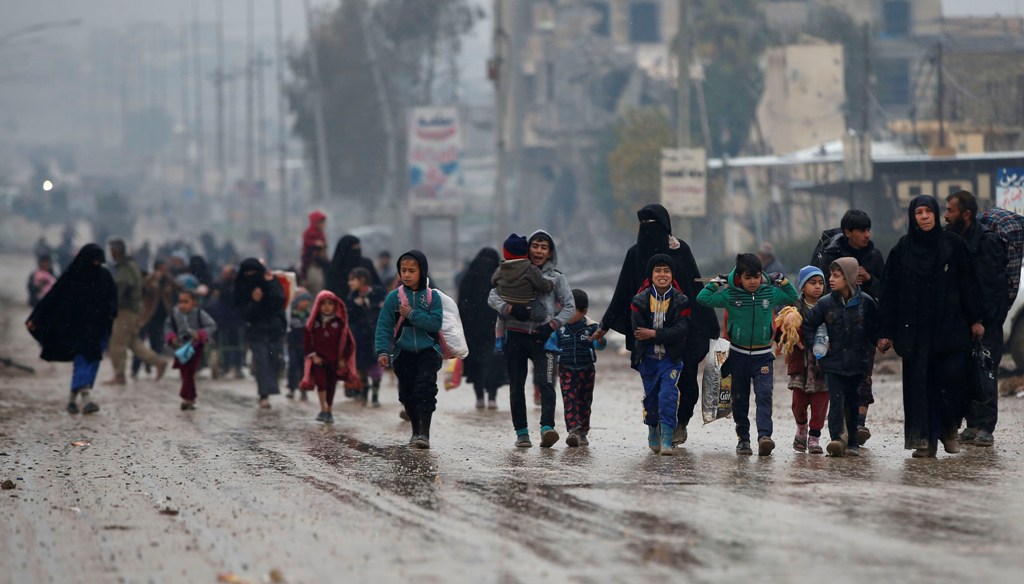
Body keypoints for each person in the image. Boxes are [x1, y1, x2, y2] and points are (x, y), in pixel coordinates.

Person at [593, 204, 719, 446]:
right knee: (655, 386)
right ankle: (658, 425)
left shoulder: (681, 251)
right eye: (643, 225)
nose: (648, 230)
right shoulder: (634, 254)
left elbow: (696, 289)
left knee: (687, 383)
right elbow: (622, 293)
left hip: (682, 331)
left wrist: (711, 326)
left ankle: (680, 423)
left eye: (653, 225)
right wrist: (605, 324)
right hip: (647, 337)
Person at [877, 195, 985, 458]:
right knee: (920, 388)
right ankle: (924, 441)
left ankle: (949, 430)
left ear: (936, 215)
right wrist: (884, 332)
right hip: (915, 333)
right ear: (912, 218)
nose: (924, 216)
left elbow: (968, 284)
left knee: (953, 382)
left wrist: (976, 319)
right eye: (918, 212)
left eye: (928, 211)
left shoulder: (954, 246)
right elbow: (889, 293)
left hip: (951, 330)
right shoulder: (902, 250)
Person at [696, 253, 798, 456]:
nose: (752, 282)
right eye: (747, 277)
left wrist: (781, 279)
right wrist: (718, 281)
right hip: (737, 356)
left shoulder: (769, 293)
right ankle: (743, 439)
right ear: (739, 278)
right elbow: (702, 298)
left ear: (762, 275)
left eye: (756, 276)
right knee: (740, 399)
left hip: (763, 356)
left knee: (764, 396)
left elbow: (792, 297)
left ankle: (764, 437)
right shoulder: (730, 296)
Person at [489, 231, 575, 448]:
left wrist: (552, 325)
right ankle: (522, 433)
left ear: (550, 252)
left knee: (546, 383)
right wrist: (509, 309)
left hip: (544, 339)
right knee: (516, 386)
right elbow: (492, 296)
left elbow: (570, 306)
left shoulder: (556, 277)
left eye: (543, 247)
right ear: (528, 249)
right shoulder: (509, 271)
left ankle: (547, 428)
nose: (538, 251)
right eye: (535, 246)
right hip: (515, 336)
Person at [813, 209, 886, 445]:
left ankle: (858, 424)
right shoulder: (828, 253)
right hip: (833, 326)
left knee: (862, 374)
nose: (867, 235)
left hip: (864, 325)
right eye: (861, 230)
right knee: (835, 379)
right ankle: (838, 430)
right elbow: (815, 285)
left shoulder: (874, 255)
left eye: (868, 229)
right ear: (847, 233)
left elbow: (885, 292)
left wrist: (871, 280)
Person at [944, 190, 1008, 447]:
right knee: (963, 372)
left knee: (985, 371)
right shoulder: (950, 239)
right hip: (960, 320)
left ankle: (985, 427)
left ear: (966, 214)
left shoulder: (987, 242)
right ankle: (970, 424)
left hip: (986, 322)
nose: (946, 216)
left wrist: (981, 320)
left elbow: (991, 287)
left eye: (951, 210)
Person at [25, 244, 118, 414]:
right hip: (77, 329)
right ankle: (86, 398)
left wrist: (111, 314)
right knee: (83, 360)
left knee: (92, 361)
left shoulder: (104, 276)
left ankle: (72, 400)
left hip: (97, 329)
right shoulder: (73, 277)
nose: (96, 265)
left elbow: (113, 299)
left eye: (99, 261)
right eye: (94, 260)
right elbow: (52, 298)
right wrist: (35, 318)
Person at [802, 259, 879, 457]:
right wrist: (816, 346)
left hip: (858, 363)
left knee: (853, 401)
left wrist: (879, 342)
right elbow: (808, 325)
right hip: (833, 363)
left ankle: (852, 442)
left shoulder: (866, 303)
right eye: (831, 275)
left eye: (837, 276)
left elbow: (875, 329)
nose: (831, 280)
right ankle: (837, 439)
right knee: (836, 401)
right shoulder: (825, 303)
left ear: (850, 278)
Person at [375, 250, 444, 448]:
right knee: (406, 394)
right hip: (402, 352)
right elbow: (384, 326)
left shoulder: (432, 298)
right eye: (403, 270)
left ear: (421, 272)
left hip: (428, 351)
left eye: (411, 270)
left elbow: (435, 323)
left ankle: (425, 434)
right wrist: (381, 351)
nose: (406, 274)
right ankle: (415, 430)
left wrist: (412, 314)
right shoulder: (393, 299)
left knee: (425, 389)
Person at [629, 257, 690, 455]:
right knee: (652, 399)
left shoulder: (681, 301)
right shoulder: (639, 301)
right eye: (658, 271)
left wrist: (655, 333)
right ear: (651, 275)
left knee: (668, 396)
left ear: (672, 275)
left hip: (671, 360)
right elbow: (639, 332)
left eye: (666, 271)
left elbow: (681, 330)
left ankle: (666, 438)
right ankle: (652, 428)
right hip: (647, 359)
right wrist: (664, 334)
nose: (662, 275)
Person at [547, 289, 606, 447]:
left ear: (584, 311)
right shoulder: (559, 327)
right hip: (566, 368)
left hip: (587, 369)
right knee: (569, 399)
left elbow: (599, 345)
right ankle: (573, 430)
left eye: (572, 311)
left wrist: (599, 340)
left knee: (584, 401)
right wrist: (550, 348)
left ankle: (583, 432)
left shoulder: (592, 327)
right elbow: (550, 342)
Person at [106, 238, 167, 384]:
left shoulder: (126, 267)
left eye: (112, 251)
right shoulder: (130, 265)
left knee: (117, 343)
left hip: (126, 310)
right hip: (132, 310)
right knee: (133, 342)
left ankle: (119, 375)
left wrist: (113, 305)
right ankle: (158, 362)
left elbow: (124, 287)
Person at [781, 266, 828, 454]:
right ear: (802, 286)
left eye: (821, 283)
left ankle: (814, 438)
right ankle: (801, 429)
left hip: (822, 366)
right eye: (812, 282)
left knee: (820, 404)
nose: (817, 287)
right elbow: (785, 332)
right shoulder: (794, 310)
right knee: (798, 404)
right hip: (800, 364)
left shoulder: (829, 306)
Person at [457, 248, 508, 409]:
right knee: (481, 363)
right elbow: (462, 304)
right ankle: (483, 396)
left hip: (490, 329)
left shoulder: (472, 277)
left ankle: (488, 396)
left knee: (489, 362)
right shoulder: (495, 279)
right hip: (478, 330)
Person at [234, 258, 288, 408]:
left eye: (254, 273)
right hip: (256, 330)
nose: (252, 276)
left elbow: (279, 301)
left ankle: (271, 387)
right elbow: (244, 313)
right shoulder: (241, 288)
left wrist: (270, 285)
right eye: (248, 273)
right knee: (262, 361)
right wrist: (254, 301)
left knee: (275, 360)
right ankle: (264, 395)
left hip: (274, 329)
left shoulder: (271, 281)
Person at [491, 233, 554, 352]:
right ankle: (549, 340)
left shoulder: (501, 268)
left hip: (506, 303)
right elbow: (542, 285)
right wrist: (550, 284)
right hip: (527, 303)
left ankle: (499, 340)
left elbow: (493, 281)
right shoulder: (531, 269)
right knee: (546, 314)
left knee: (500, 317)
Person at [304, 290, 359, 424]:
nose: (327, 307)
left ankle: (329, 410)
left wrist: (342, 359)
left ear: (335, 306)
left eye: (330, 304)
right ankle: (323, 408)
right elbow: (306, 341)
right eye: (323, 304)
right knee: (321, 383)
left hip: (333, 361)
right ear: (318, 305)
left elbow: (348, 343)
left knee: (331, 386)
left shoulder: (340, 324)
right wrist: (313, 356)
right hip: (318, 361)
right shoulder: (314, 323)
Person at [165, 289, 217, 410]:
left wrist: (201, 334)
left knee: (189, 371)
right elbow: (168, 326)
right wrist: (171, 337)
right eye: (180, 302)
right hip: (180, 346)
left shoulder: (199, 313)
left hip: (195, 346)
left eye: (186, 302)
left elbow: (211, 325)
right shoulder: (175, 313)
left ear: (193, 302)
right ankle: (190, 397)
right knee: (184, 372)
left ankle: (187, 397)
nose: (182, 305)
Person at [347, 267, 386, 406]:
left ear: (362, 280)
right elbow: (350, 317)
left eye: (353, 279)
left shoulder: (378, 293)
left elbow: (385, 310)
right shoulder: (352, 297)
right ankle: (364, 392)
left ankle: (375, 395)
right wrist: (356, 305)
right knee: (361, 366)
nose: (349, 283)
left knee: (376, 365)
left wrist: (373, 306)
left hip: (375, 336)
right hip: (360, 338)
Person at [134, 258, 178, 379]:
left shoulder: (168, 279)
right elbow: (142, 289)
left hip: (161, 317)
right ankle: (135, 370)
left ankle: (154, 365)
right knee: (139, 342)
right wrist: (154, 279)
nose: (164, 270)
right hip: (147, 316)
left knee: (157, 343)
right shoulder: (150, 278)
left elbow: (178, 288)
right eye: (162, 267)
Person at [207, 265, 246, 379]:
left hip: (234, 319)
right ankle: (225, 365)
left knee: (236, 343)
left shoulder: (238, 286)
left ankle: (236, 366)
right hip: (223, 320)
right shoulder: (219, 285)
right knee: (223, 343)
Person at [286, 290, 313, 400]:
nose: (306, 303)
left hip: (305, 347)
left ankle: (303, 390)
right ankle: (291, 389)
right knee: (292, 367)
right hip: (293, 346)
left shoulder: (309, 314)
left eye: (308, 301)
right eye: (304, 300)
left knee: (304, 369)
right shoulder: (290, 314)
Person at [301, 210, 328, 282]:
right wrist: (315, 244)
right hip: (311, 265)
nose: (323, 225)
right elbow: (307, 245)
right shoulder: (309, 233)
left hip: (321, 265)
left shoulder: (321, 234)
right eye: (321, 222)